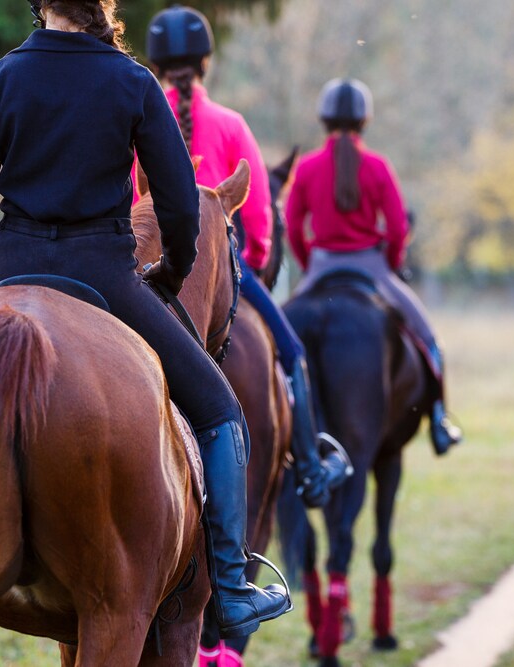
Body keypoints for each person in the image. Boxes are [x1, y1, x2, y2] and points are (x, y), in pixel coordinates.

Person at [0, 0, 290, 640]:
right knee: (219, 410)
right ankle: (232, 589)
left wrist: (3, 272)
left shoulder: (0, 78)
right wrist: (172, 276)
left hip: (11, 268)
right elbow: (180, 208)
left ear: (39, 5)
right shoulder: (131, 81)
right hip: (106, 277)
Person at [144, 6, 347, 508]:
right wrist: (251, 259)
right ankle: (312, 468)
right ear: (205, 63)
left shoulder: (140, 118)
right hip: (222, 261)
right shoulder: (232, 124)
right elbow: (257, 215)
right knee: (292, 352)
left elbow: (133, 203)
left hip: (147, 268)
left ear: (158, 66)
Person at [285, 78, 463, 455]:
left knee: (278, 340)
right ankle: (440, 421)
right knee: (429, 341)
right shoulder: (378, 167)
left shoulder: (307, 168)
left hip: (320, 266)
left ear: (324, 120)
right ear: (365, 121)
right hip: (373, 267)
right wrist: (390, 266)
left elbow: (293, 226)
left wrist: (309, 264)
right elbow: (397, 229)